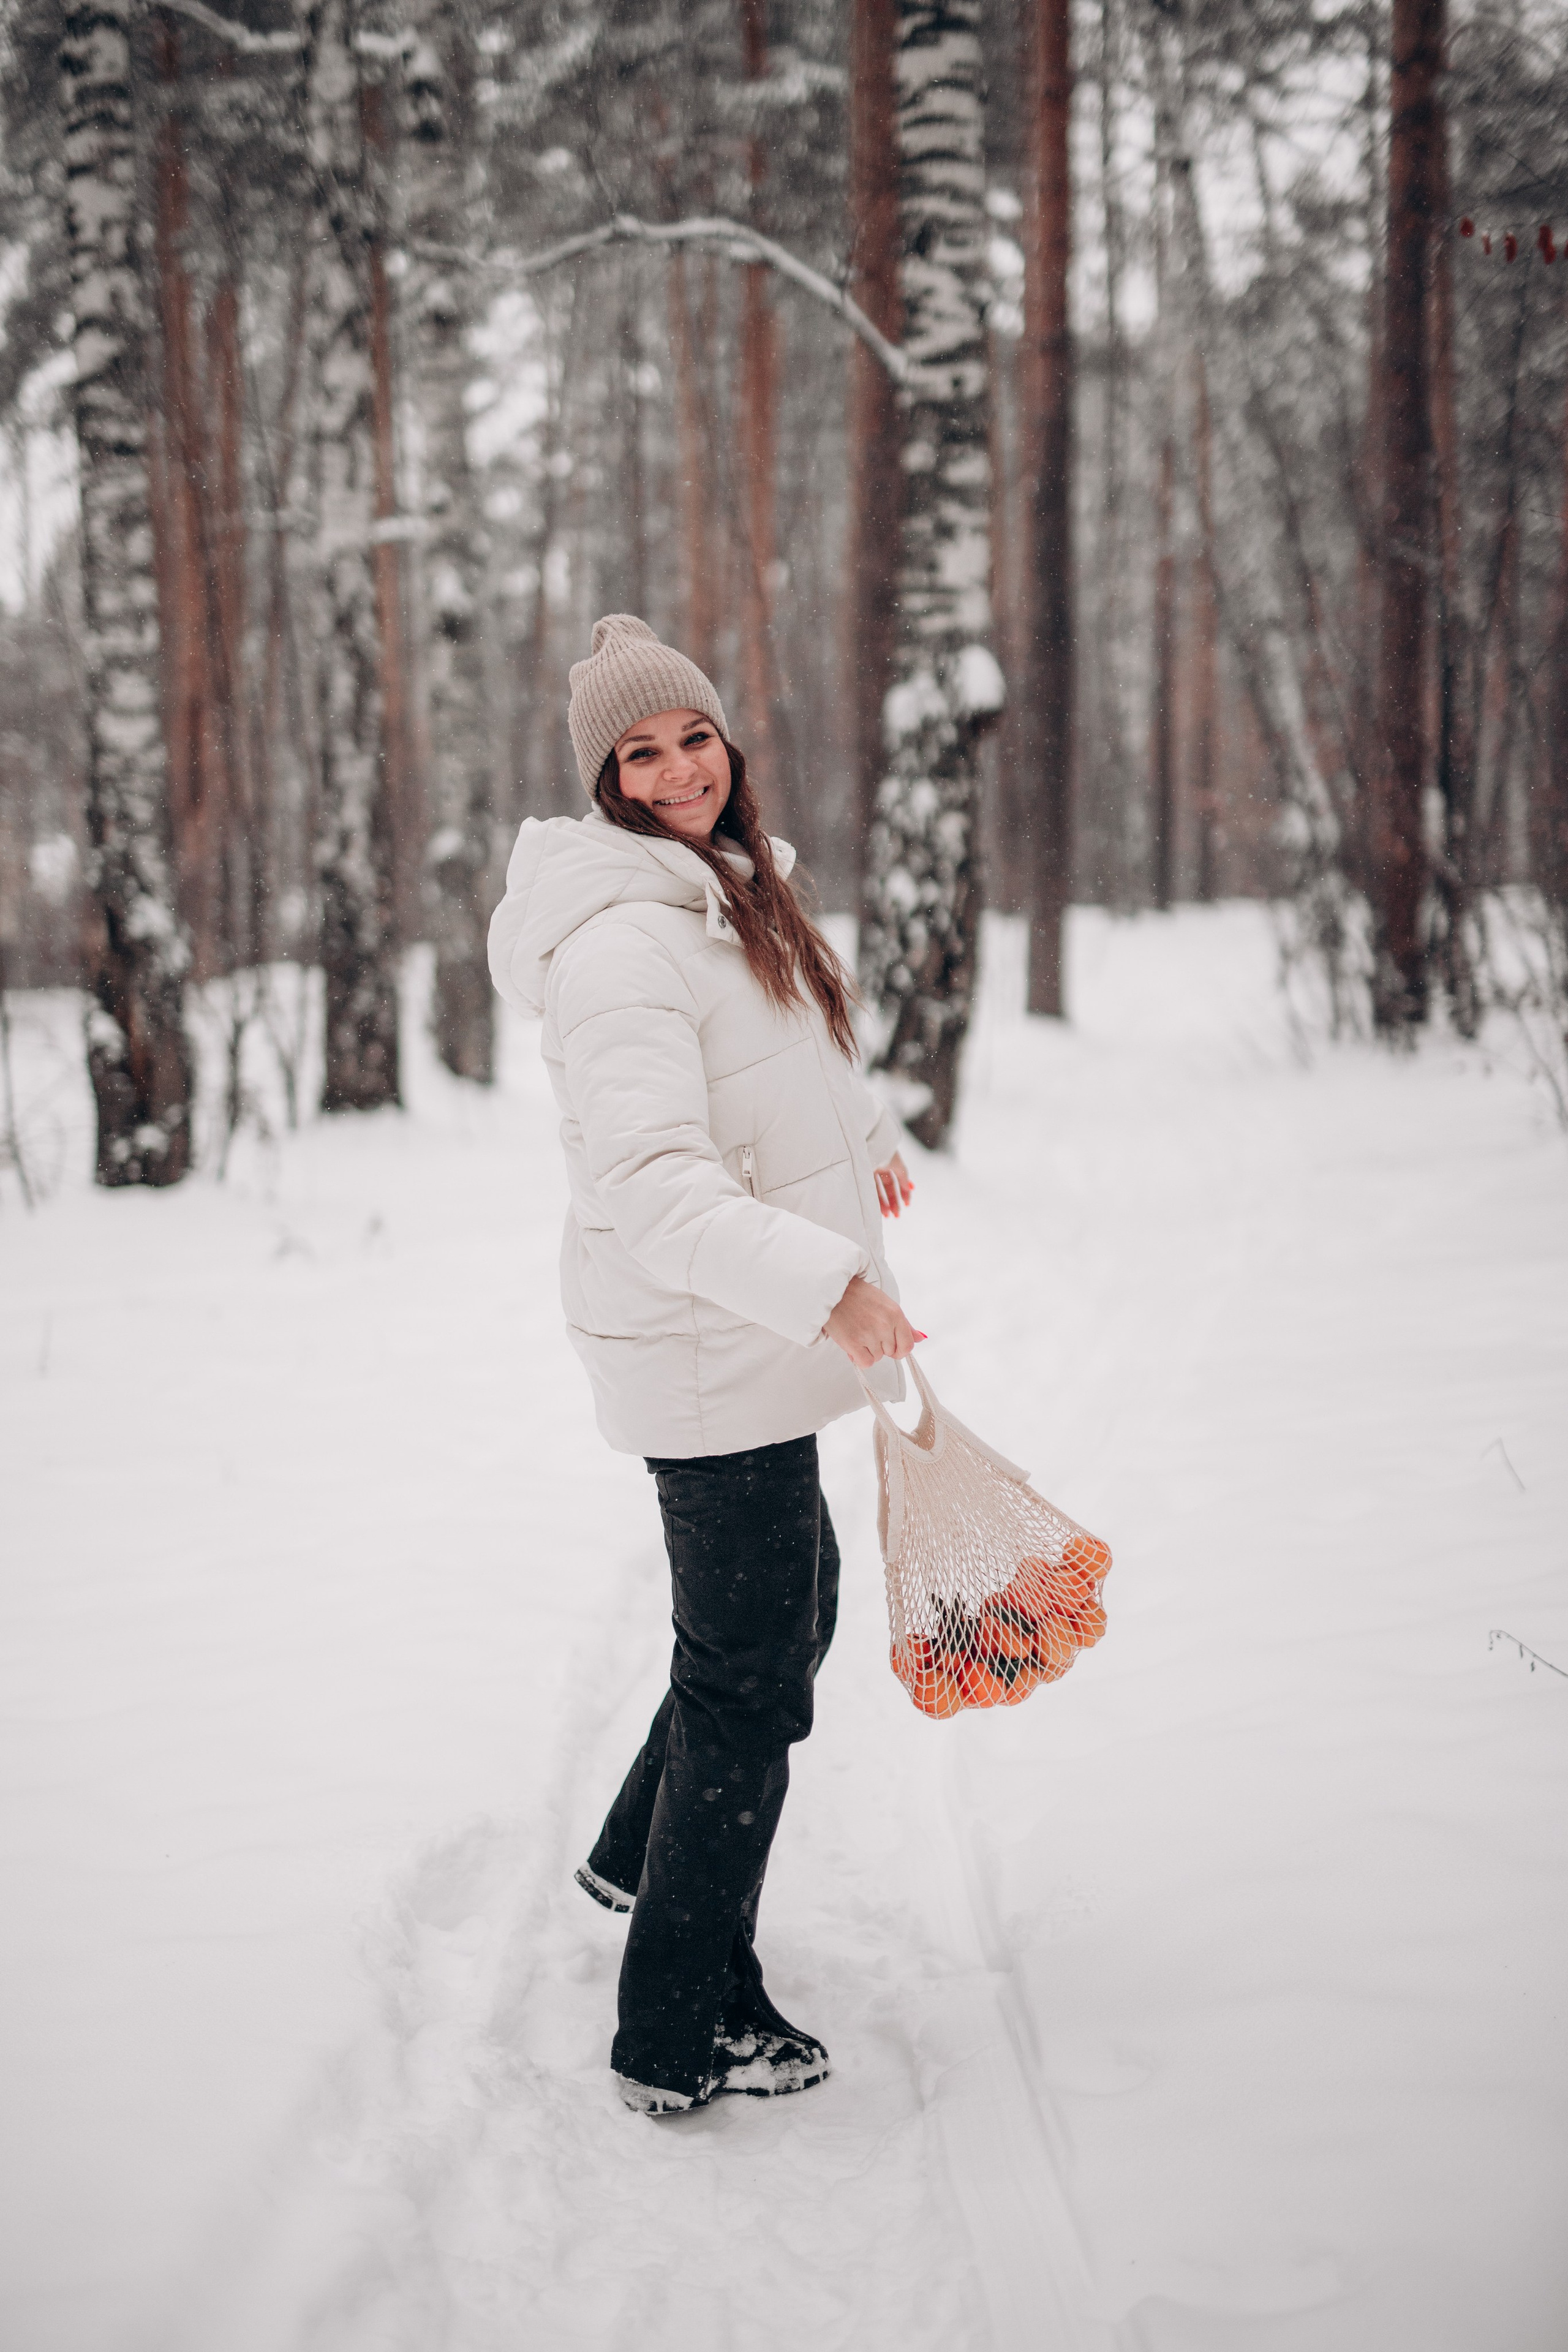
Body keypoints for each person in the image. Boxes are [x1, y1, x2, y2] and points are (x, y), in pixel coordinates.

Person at [488, 614, 921, 2116]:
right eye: (638, 751)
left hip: (744, 1337)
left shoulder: (724, 890)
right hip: (707, 1342)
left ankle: (631, 1855)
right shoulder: (618, 943)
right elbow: (658, 1185)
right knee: (748, 1683)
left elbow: (776, 1067)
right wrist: (833, 1291)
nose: (676, 769)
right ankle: (680, 2021)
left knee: (785, 1615)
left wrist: (867, 1148)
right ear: (602, 779)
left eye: (691, 737)